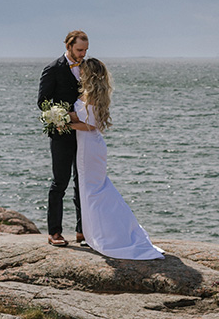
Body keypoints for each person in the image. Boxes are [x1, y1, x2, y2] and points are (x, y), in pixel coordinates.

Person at [70, 58, 164, 260]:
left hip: (90, 147)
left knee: (93, 192)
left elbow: (91, 125)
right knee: (93, 191)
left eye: (83, 71)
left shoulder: (93, 96)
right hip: (87, 147)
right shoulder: (89, 94)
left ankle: (107, 237)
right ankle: (97, 234)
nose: (81, 73)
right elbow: (83, 118)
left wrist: (65, 125)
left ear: (89, 74)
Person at [38, 30, 89, 247]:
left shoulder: (87, 67)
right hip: (61, 134)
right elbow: (42, 102)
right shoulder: (53, 69)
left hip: (85, 132)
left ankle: (83, 231)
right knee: (60, 182)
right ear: (68, 47)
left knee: (83, 182)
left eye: (85, 50)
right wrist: (61, 117)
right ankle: (55, 232)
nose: (83, 54)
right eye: (79, 50)